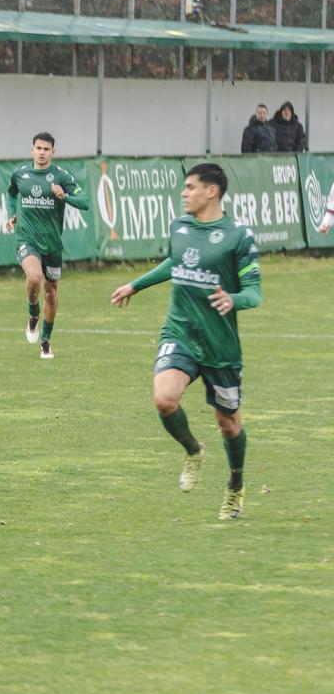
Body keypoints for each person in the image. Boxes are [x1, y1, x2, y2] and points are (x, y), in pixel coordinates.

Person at [111, 163, 261, 521]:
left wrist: (233, 300)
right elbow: (174, 263)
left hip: (219, 345)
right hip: (179, 332)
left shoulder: (239, 235)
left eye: (191, 187)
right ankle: (193, 450)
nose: (184, 192)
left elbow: (254, 291)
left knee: (229, 425)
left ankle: (235, 485)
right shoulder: (179, 227)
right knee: (164, 399)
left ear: (212, 191)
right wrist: (136, 285)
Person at [4, 132, 90, 360]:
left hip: (52, 245)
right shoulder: (20, 174)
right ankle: (33, 315)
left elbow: (85, 202)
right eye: (38, 148)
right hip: (27, 239)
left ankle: (46, 341)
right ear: (32, 149)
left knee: (51, 294)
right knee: (34, 277)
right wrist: (12, 215)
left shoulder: (61, 176)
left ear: (53, 152)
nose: (41, 153)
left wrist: (65, 197)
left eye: (46, 149)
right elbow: (11, 194)